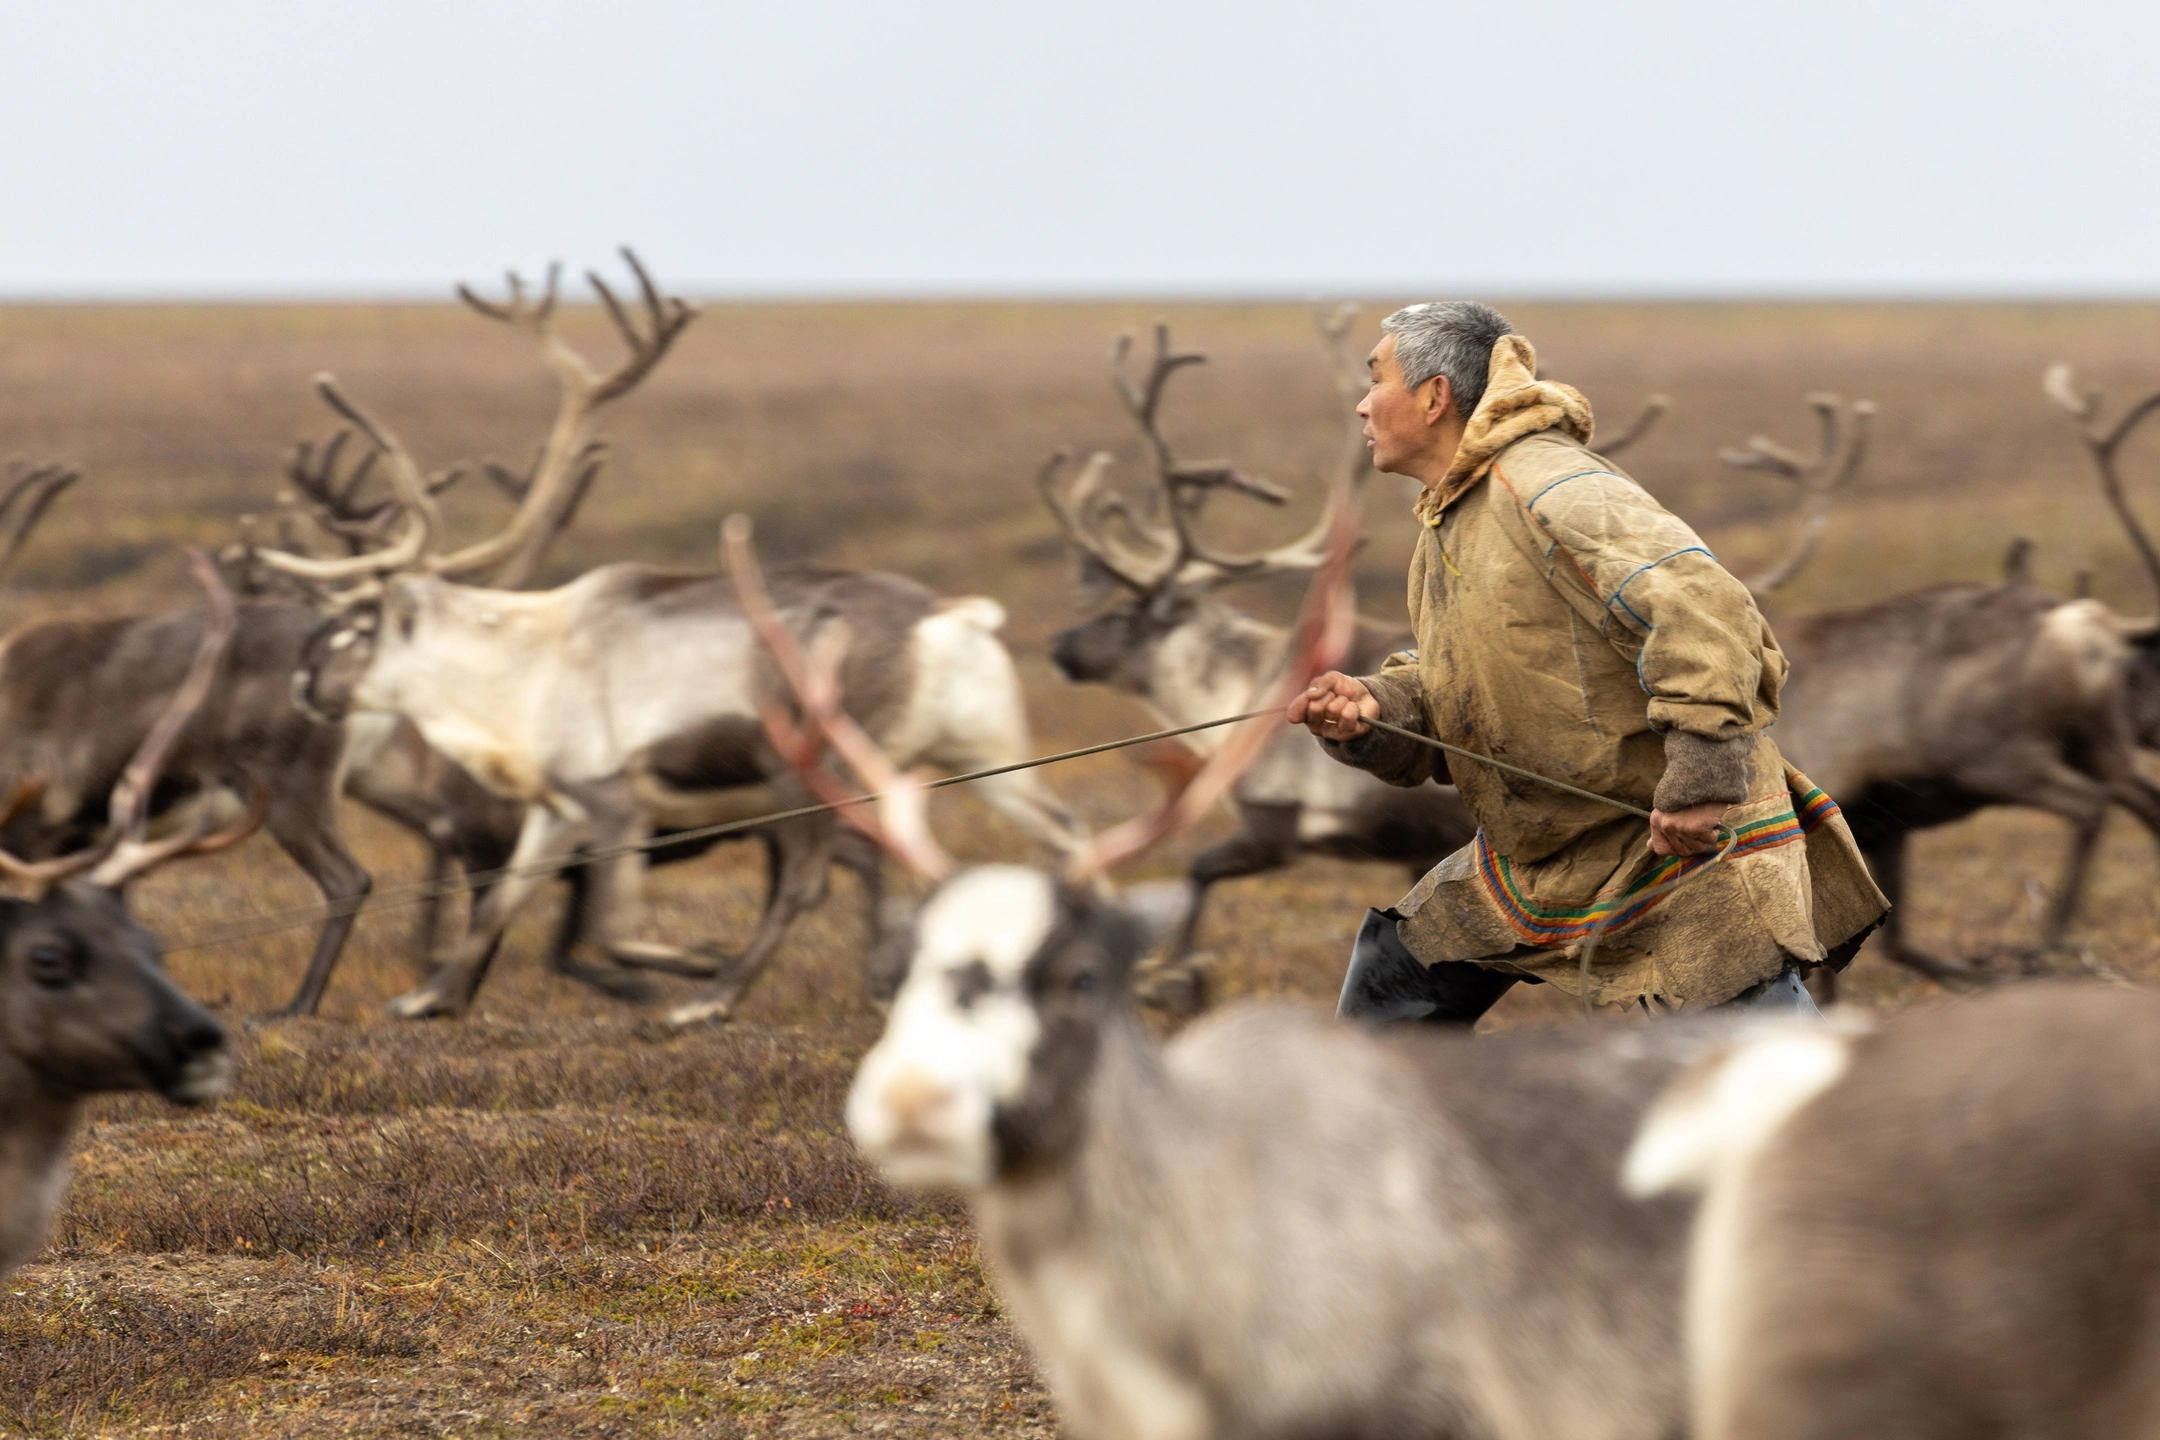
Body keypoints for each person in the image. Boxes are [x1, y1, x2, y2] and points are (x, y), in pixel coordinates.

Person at [1289, 302, 1886, 1024]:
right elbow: (1468, 685)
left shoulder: (1551, 487)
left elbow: (1708, 610)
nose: (1362, 403)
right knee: (1396, 983)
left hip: (1668, 841)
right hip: (1545, 855)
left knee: (1766, 1073)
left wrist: (1701, 775)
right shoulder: (1452, 518)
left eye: (1375, 378)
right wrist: (1376, 710)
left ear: (1434, 396)